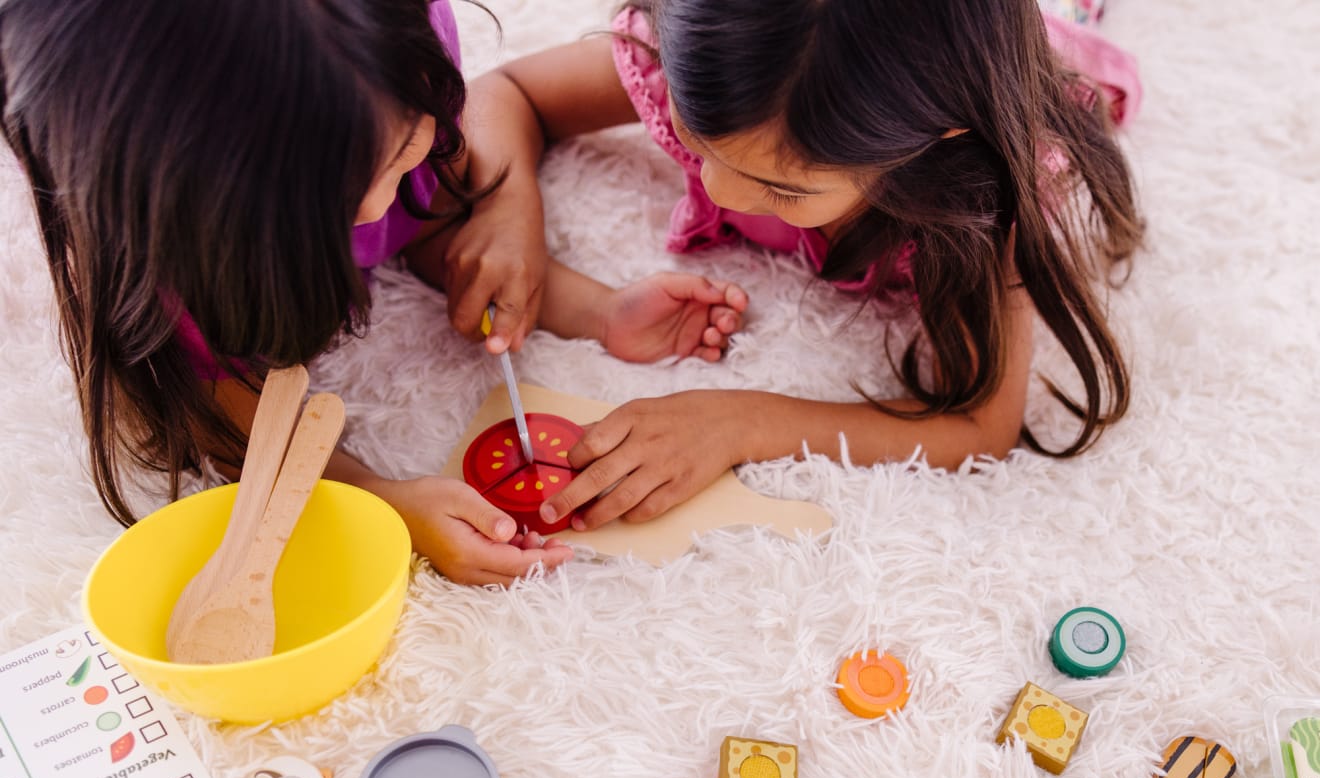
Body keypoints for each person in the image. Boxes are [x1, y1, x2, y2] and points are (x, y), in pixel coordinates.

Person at [0, 0, 744, 585]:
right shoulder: (167, 253)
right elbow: (215, 407)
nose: (372, 211)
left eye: (398, 155)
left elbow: (425, 210)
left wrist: (583, 301)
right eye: (322, 209)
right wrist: (375, 500)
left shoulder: (389, 53)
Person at [461, 0, 1145, 533]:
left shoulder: (979, 195)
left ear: (924, 147)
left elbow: (979, 424)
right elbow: (506, 92)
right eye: (696, 141)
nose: (720, 191)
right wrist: (505, 204)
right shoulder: (714, 46)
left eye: (786, 190)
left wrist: (740, 423)